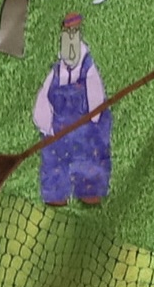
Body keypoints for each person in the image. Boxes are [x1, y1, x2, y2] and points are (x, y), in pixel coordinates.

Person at [35, 13, 113, 207]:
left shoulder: (89, 69)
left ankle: (89, 192)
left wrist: (93, 119)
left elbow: (95, 94)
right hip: (58, 127)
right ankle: (56, 195)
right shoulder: (55, 72)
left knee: (89, 157)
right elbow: (44, 97)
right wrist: (46, 126)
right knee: (54, 161)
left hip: (86, 126)